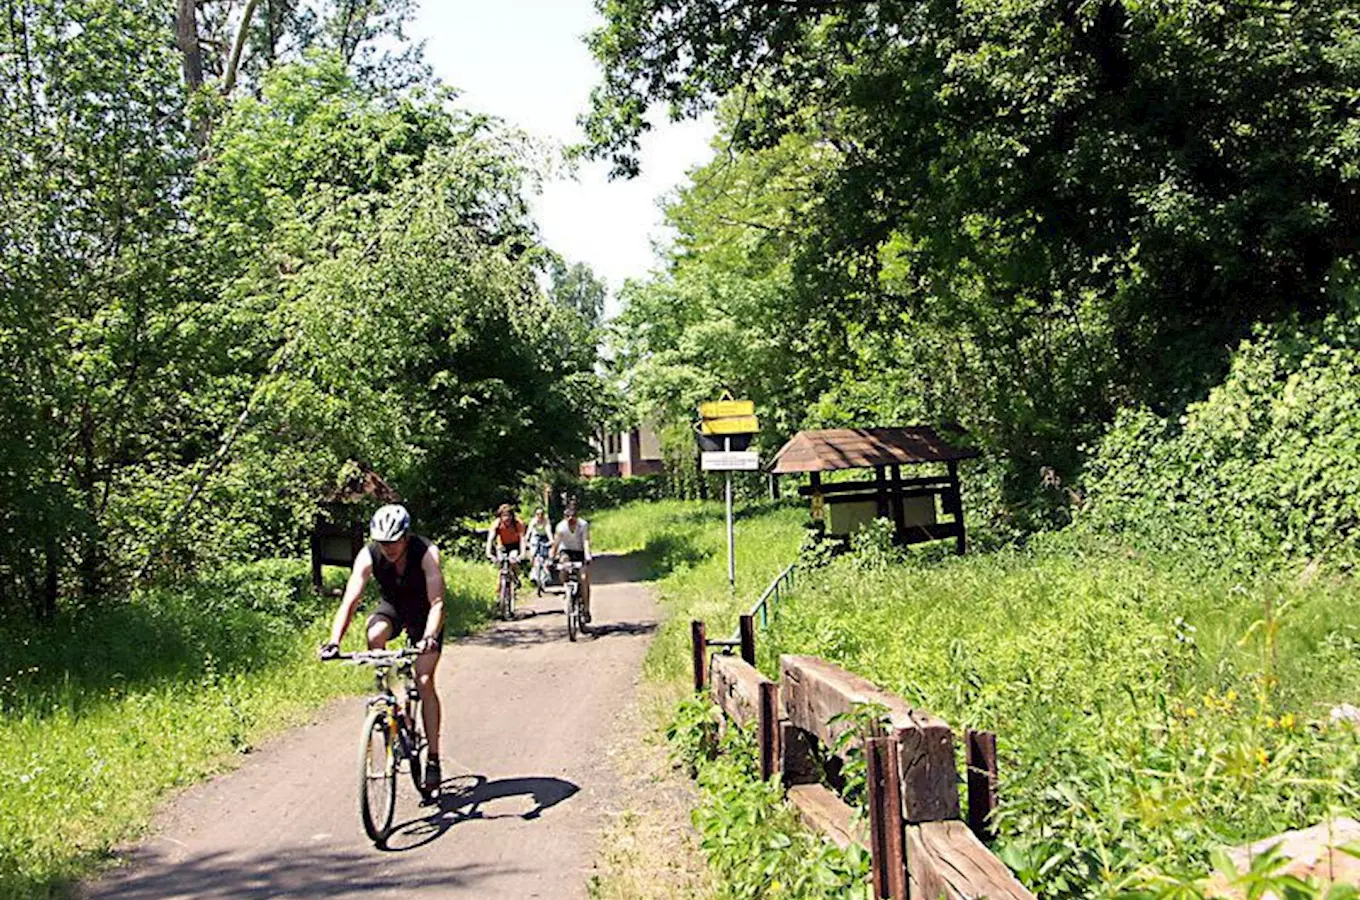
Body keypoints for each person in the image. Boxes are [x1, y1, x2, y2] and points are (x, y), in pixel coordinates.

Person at [319, 503, 446, 792]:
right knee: (374, 633)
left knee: (424, 680)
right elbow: (350, 599)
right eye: (382, 542)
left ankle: (434, 759)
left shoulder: (426, 554)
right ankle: (389, 702)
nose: (387, 548)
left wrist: (428, 637)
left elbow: (438, 603)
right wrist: (334, 640)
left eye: (393, 542)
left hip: (425, 615)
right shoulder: (369, 555)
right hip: (394, 608)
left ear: (406, 536)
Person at [550, 500, 593, 621]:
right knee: (563, 567)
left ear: (577, 516)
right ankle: (567, 591)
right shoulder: (560, 527)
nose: (570, 519)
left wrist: (588, 555)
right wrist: (551, 558)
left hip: (579, 552)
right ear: (564, 517)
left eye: (573, 516)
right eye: (568, 516)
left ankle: (586, 608)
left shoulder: (583, 525)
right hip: (566, 551)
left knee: (583, 578)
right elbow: (556, 544)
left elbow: (585, 541)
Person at [484, 503, 527, 589]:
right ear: (500, 516)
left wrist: (522, 553)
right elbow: (490, 539)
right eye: (504, 516)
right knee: (501, 565)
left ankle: (516, 578)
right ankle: (499, 593)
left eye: (509, 516)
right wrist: (488, 553)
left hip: (515, 545)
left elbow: (522, 539)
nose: (506, 518)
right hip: (502, 545)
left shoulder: (518, 523)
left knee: (513, 560)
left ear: (512, 516)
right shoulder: (496, 524)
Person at [526, 507, 552, 589]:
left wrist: (551, 540)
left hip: (544, 537)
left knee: (545, 555)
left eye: (541, 514)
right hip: (535, 537)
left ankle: (546, 574)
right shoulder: (533, 521)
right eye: (538, 514)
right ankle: (533, 572)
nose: (540, 516)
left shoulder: (546, 521)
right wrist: (526, 540)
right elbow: (529, 532)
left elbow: (548, 531)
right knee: (533, 553)